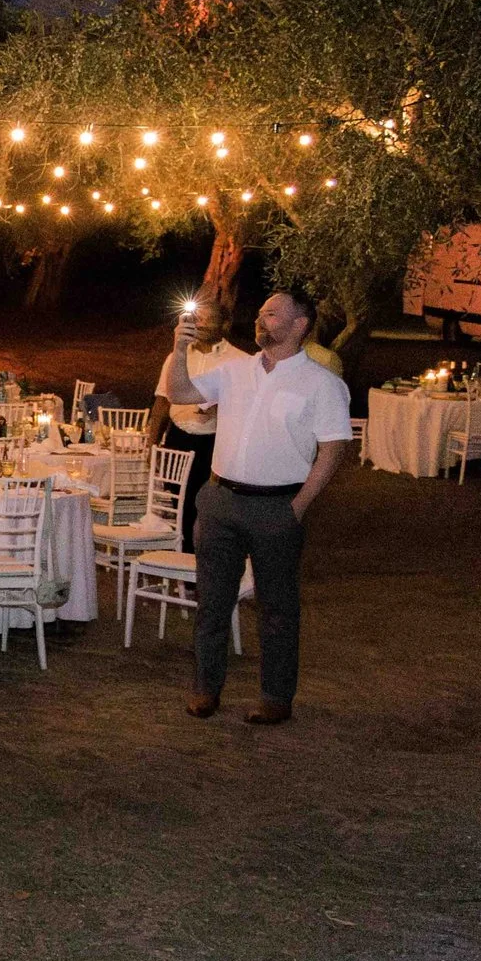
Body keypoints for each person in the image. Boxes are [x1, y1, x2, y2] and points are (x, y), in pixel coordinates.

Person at [160, 287, 354, 725]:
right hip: (220, 500)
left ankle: (275, 698)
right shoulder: (234, 371)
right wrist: (179, 346)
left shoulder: (321, 383)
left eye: (271, 313)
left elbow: (334, 448)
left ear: (299, 324)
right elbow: (181, 394)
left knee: (278, 609)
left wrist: (299, 506)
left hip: (277, 506)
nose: (260, 319)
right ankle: (206, 689)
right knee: (211, 602)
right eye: (261, 311)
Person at [146, 303, 245, 552]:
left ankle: (197, 562)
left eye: (205, 321)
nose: (198, 325)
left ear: (224, 325)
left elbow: (248, 410)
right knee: (177, 500)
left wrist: (221, 410)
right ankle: (183, 558)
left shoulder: (240, 361)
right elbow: (161, 400)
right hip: (178, 437)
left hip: (213, 442)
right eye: (195, 320)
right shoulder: (177, 356)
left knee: (202, 504)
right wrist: (151, 442)